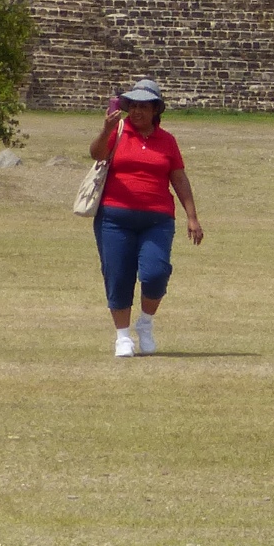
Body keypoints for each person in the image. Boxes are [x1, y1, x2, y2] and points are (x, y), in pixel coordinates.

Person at [88, 79, 202, 357]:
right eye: (133, 106)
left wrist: (192, 217)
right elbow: (96, 154)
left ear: (155, 110)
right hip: (114, 217)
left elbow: (179, 178)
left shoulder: (167, 141)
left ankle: (145, 323)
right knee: (117, 275)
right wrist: (106, 129)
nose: (137, 112)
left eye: (143, 107)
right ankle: (122, 337)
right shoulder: (119, 131)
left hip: (157, 219)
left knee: (156, 272)